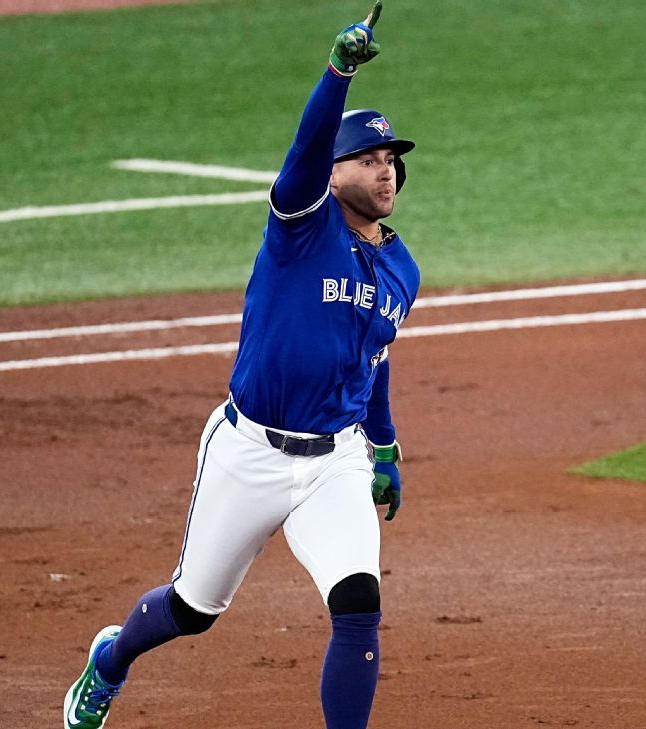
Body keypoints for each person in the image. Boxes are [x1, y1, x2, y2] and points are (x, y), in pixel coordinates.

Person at [63, 3, 418, 727]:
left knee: (358, 605)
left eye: (390, 161)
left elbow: (374, 357)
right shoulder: (301, 226)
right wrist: (337, 74)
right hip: (249, 451)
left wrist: (382, 445)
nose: (384, 171)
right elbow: (307, 146)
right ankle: (110, 661)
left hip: (336, 460)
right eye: (366, 159)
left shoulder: (402, 267)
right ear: (331, 174)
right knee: (193, 608)